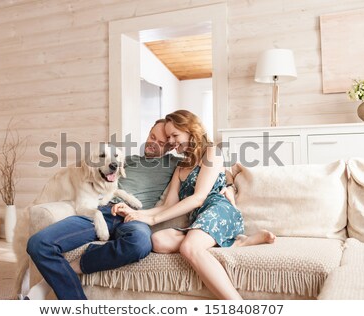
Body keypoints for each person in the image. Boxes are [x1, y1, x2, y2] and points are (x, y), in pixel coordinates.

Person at [113, 110, 275, 300]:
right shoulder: (180, 167)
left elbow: (199, 198)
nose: (171, 142)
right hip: (199, 219)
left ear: (191, 131)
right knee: (158, 241)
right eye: (169, 137)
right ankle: (238, 242)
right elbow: (168, 205)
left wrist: (152, 219)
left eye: (175, 135)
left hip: (219, 211)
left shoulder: (212, 152)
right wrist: (138, 213)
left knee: (189, 248)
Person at [24, 119, 178, 300]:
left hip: (135, 218)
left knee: (139, 244)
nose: (153, 143)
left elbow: (205, 164)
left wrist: (221, 184)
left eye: (160, 143)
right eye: (152, 136)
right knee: (38, 244)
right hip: (102, 210)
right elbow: (89, 170)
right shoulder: (123, 159)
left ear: (170, 146)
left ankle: (73, 267)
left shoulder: (175, 164)